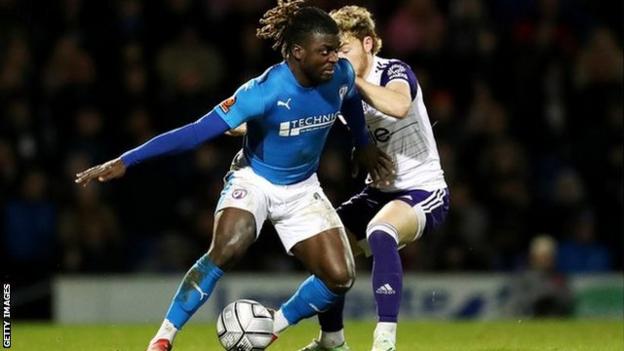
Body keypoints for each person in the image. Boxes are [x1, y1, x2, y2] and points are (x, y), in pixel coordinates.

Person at [74, 1, 393, 350]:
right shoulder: (263, 91)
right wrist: (127, 160)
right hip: (254, 179)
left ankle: (272, 326)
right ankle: (164, 337)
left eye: (336, 49)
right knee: (227, 246)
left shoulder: (341, 75)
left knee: (340, 276)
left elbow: (349, 103)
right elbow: (196, 132)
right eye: (326, 51)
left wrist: (362, 142)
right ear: (298, 53)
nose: (335, 57)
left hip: (302, 188)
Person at [298, 6, 450, 351]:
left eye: (345, 51)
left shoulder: (394, 71)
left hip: (422, 189)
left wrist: (356, 83)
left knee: (380, 232)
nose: (338, 61)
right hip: (377, 192)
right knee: (328, 246)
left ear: (368, 43)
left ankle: (385, 340)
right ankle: (331, 341)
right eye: (334, 53)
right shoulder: (336, 88)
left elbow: (397, 106)